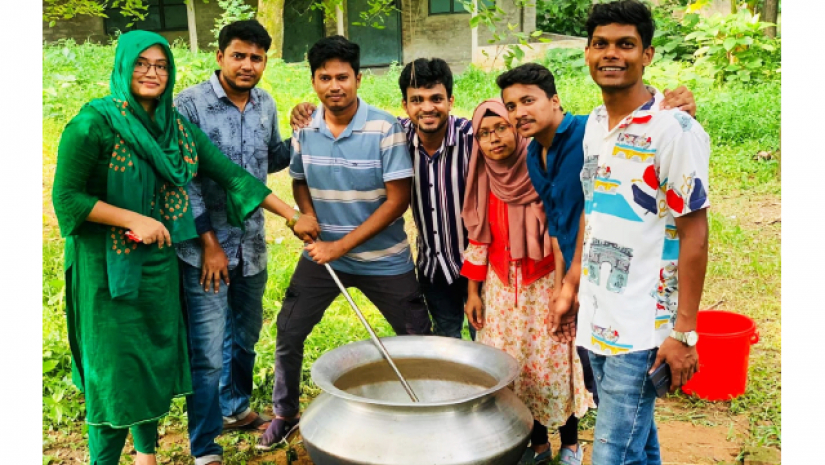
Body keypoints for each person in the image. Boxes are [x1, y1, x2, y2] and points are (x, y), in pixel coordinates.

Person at [51, 31, 318, 465]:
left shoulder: (174, 127)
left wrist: (291, 215)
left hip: (157, 265)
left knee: (150, 364)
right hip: (105, 269)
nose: (151, 73)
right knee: (113, 371)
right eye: (141, 64)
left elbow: (232, 175)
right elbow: (66, 198)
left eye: (160, 65)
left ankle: (146, 455)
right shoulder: (92, 124)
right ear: (122, 66)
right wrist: (132, 218)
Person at [552, 1, 710, 464]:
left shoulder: (674, 129)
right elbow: (593, 210)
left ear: (648, 54)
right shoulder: (594, 125)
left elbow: (695, 233)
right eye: (600, 43)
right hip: (598, 316)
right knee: (637, 444)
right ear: (586, 53)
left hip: (643, 328)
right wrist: (574, 285)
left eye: (626, 44)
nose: (611, 54)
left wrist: (684, 332)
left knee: (612, 454)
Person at [257, 35, 432, 450]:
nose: (334, 86)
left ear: (358, 79)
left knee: (417, 340)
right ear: (313, 81)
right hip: (323, 259)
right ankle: (285, 413)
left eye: (342, 77)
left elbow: (397, 201)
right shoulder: (305, 128)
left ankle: (428, 413)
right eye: (325, 78)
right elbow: (299, 179)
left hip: (384, 260)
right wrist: (307, 215)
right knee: (289, 331)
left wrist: (340, 246)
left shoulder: (385, 128)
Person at [496, 62, 697, 407]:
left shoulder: (588, 133)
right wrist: (563, 287)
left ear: (555, 100)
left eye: (528, 101)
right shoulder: (532, 154)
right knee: (602, 387)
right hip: (587, 287)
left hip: (627, 288)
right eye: (511, 106)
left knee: (620, 404)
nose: (519, 113)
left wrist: (678, 109)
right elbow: (559, 225)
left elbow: (641, 128)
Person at [172, 20, 294, 465]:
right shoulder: (188, 105)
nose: (248, 65)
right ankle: (205, 447)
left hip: (252, 244)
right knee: (206, 351)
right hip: (204, 249)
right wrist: (209, 243)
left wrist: (302, 133)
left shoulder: (266, 103)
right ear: (220, 56)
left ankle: (235, 408)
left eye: (256, 58)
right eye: (239, 55)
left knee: (244, 337)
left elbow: (270, 159)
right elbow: (183, 182)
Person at [290, 58, 476, 340]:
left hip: (481, 266)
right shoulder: (396, 135)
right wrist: (307, 110)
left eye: (436, 99)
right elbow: (357, 122)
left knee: (489, 342)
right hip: (434, 266)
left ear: (450, 101)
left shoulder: (473, 138)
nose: (427, 108)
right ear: (405, 105)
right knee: (445, 341)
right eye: (417, 100)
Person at [461, 99, 592, 465]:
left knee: (553, 367)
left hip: (545, 286)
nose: (494, 139)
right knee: (516, 370)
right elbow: (478, 237)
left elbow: (562, 227)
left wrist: (563, 286)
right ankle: (538, 445)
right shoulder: (484, 177)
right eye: (484, 134)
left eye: (501, 128)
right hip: (502, 292)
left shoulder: (540, 168)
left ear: (516, 129)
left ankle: (570, 443)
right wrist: (473, 292)